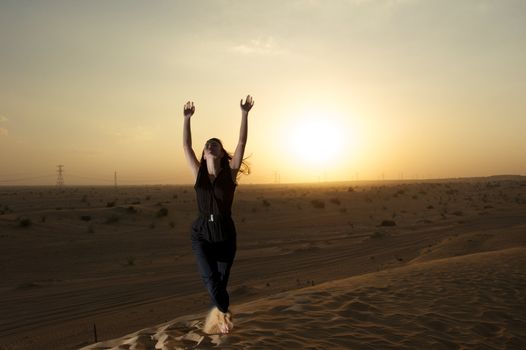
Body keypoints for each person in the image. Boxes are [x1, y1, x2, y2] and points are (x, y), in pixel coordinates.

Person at [182, 95, 254, 334]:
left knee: (220, 283)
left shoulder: (230, 174)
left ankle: (221, 320)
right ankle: (225, 311)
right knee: (210, 279)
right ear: (204, 154)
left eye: (215, 144)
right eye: (207, 145)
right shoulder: (198, 173)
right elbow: (186, 147)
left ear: (223, 153)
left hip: (224, 234)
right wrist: (187, 119)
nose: (210, 146)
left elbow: (242, 143)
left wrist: (244, 114)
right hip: (201, 232)